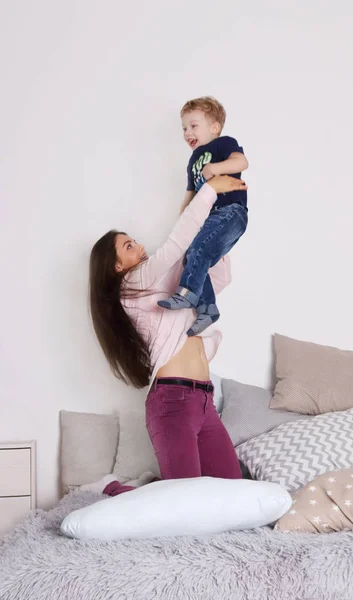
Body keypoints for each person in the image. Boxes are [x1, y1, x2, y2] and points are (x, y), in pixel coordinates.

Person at [89, 175, 247, 495]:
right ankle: (114, 491)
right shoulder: (130, 286)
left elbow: (219, 277)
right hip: (172, 403)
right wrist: (209, 190)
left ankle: (147, 488)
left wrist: (213, 239)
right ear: (116, 266)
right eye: (130, 246)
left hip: (204, 400)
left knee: (233, 493)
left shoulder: (170, 287)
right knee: (182, 502)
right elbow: (174, 247)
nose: (141, 246)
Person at [158, 97, 249, 337]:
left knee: (198, 251)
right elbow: (189, 196)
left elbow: (242, 161)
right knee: (193, 257)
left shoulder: (222, 145)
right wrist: (182, 223)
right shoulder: (192, 162)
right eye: (184, 128)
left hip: (231, 211)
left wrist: (216, 168)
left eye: (193, 125)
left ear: (214, 127)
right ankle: (208, 309)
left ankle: (186, 294)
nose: (187, 132)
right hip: (211, 219)